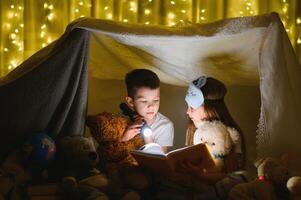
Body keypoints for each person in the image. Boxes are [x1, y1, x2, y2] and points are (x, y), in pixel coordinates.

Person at [183, 75, 245, 183]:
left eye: (192, 107)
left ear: (209, 107)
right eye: (187, 106)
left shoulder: (230, 134)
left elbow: (232, 176)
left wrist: (201, 176)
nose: (187, 112)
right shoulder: (192, 129)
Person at [120, 69, 174, 153]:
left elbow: (160, 160)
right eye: (144, 101)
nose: (151, 106)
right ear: (130, 101)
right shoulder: (123, 120)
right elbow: (112, 150)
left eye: (156, 100)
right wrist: (123, 138)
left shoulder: (164, 126)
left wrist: (147, 135)